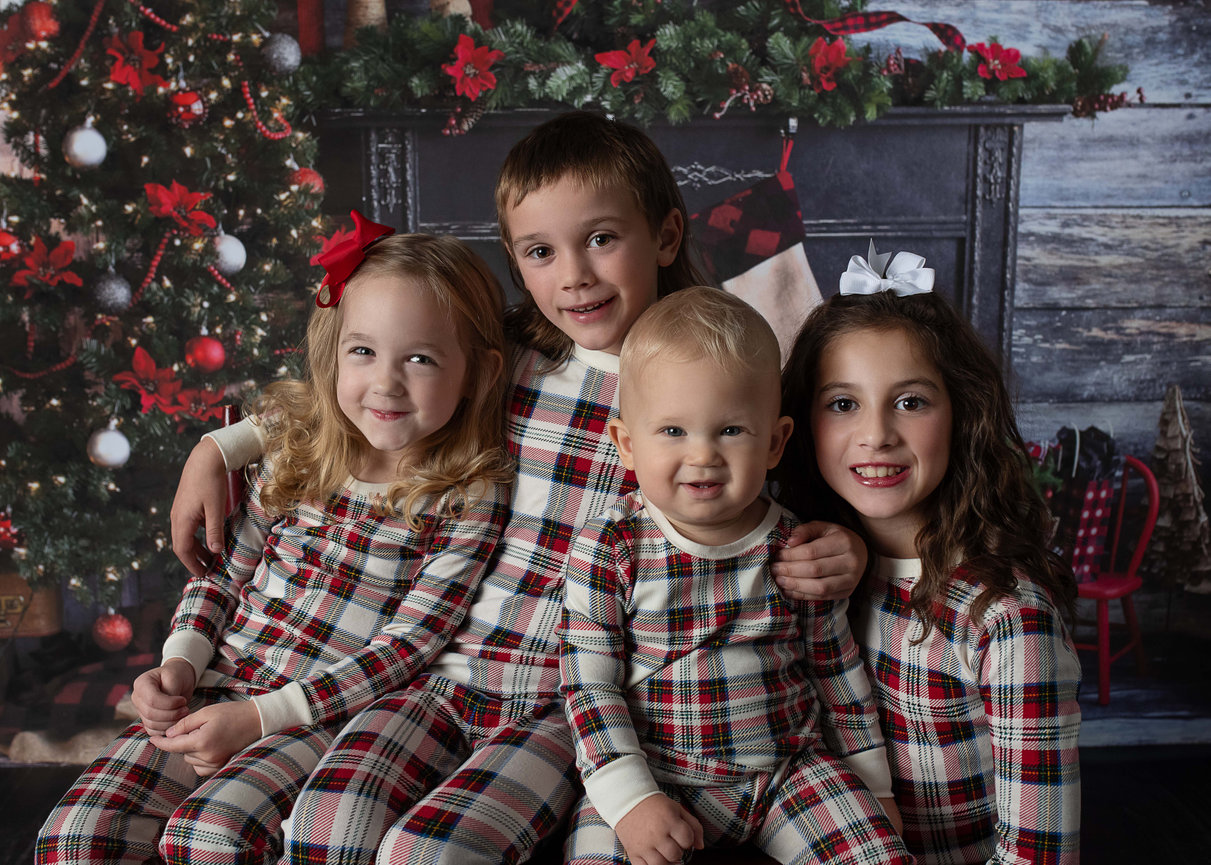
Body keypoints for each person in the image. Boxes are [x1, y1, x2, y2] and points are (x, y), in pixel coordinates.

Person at [162, 112, 870, 863]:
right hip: (443, 668)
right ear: (516, 260)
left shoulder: (722, 374)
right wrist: (222, 444)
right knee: (328, 826)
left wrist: (843, 545)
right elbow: (358, 393)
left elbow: (790, 491)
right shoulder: (506, 356)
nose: (574, 275)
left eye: (601, 239)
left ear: (664, 237)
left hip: (568, 697)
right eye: (541, 251)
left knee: (427, 852)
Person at [35, 224, 514, 865]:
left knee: (210, 836)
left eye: (421, 359)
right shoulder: (297, 454)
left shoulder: (465, 492)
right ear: (332, 352)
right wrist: (179, 663)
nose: (386, 384)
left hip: (321, 715)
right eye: (363, 352)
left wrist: (262, 718)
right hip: (220, 685)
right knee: (76, 835)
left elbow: (408, 647)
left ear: (476, 370)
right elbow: (222, 578)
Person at [559, 287, 913, 865]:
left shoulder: (795, 545)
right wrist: (629, 801)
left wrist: (875, 788)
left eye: (731, 431)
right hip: (655, 774)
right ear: (626, 444)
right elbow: (589, 684)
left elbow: (838, 672)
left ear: (775, 442)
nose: (703, 455)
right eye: (672, 432)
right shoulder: (611, 545)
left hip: (788, 771)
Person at [774, 244, 1082, 864]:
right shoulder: (800, 567)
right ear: (800, 424)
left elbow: (1038, 855)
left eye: (910, 401)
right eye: (842, 404)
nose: (876, 434)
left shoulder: (1008, 618)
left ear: (961, 413)